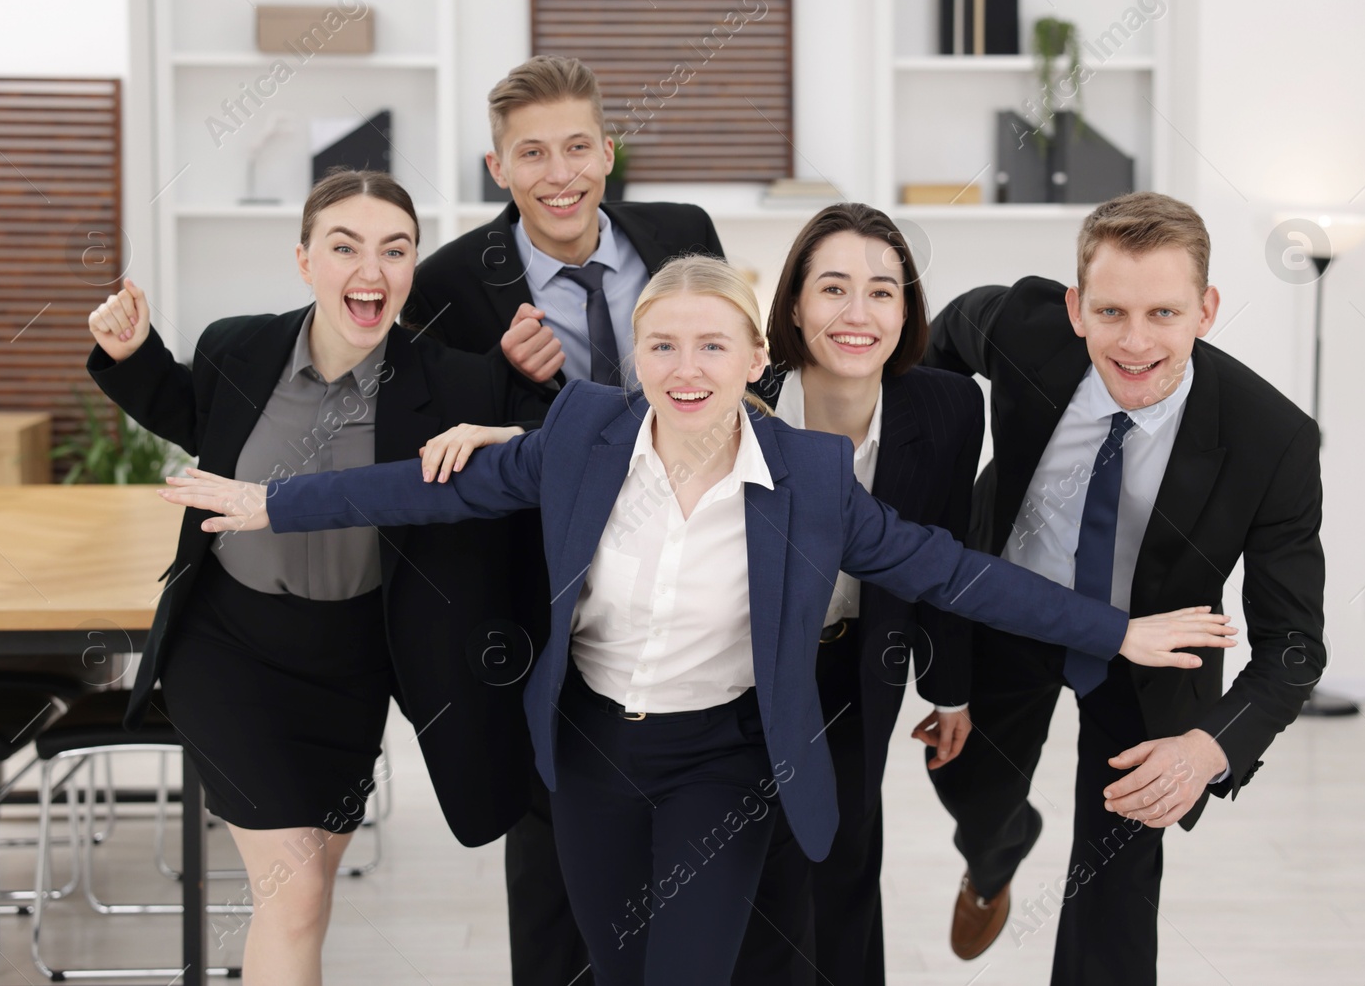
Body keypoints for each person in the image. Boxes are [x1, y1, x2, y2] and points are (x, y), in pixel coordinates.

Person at [158, 255, 1239, 986]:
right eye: (663, 346)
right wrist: (271, 500)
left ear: (756, 358)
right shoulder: (581, 434)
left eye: (712, 347)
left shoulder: (810, 478)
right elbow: (432, 489)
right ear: (635, 358)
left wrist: (1118, 631)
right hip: (586, 753)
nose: (686, 370)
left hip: (719, 761)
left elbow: (951, 569)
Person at [85, 170, 550, 985]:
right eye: (344, 247)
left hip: (352, 666)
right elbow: (197, 416)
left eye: (394, 250)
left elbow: (544, 463)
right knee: (295, 892)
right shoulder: (240, 345)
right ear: (304, 260)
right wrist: (131, 356)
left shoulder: (453, 381)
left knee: (308, 891)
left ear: (411, 267)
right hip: (228, 647)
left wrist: (519, 387)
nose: (369, 270)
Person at [920, 191, 1326, 986]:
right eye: (1110, 311)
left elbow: (1294, 645)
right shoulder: (1021, 328)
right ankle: (996, 852)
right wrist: (928, 474)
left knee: (1116, 883)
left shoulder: (1272, 439)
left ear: (1205, 310)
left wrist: (1210, 745)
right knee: (972, 789)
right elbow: (937, 347)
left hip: (1150, 654)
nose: (1136, 342)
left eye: (1164, 313)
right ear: (1075, 308)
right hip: (1009, 608)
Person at [403, 54, 725, 986]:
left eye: (578, 147)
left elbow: (730, 364)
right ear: (497, 167)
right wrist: (503, 376)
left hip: (693, 578)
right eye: (532, 153)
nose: (561, 173)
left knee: (688, 852)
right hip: (548, 603)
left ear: (608, 153)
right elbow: (437, 450)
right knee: (553, 869)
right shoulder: (451, 282)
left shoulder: (682, 234)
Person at [735, 203, 982, 985]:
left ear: (906, 311)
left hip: (853, 667)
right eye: (833, 288)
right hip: (741, 668)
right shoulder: (743, 399)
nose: (857, 313)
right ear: (796, 305)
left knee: (842, 860)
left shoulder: (947, 408)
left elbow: (944, 556)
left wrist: (949, 691)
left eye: (882, 291)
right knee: (749, 869)